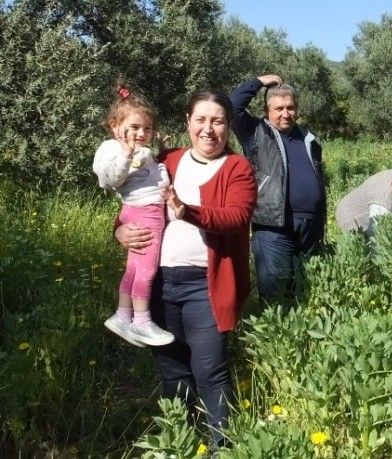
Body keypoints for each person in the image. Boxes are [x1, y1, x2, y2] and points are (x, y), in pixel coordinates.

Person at [115, 90, 257, 448]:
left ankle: (221, 448)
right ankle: (178, 441)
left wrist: (188, 211)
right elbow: (135, 202)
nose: (208, 129)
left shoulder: (238, 167)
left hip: (206, 287)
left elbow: (237, 217)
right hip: (158, 285)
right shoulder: (167, 160)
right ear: (188, 122)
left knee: (210, 370)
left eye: (218, 121)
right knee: (172, 370)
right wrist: (119, 230)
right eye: (201, 120)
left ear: (228, 126)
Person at [229, 74, 326, 300]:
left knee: (306, 290)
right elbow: (232, 105)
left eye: (290, 107)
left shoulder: (309, 138)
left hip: (310, 226)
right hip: (273, 225)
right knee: (275, 293)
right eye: (279, 108)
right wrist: (259, 81)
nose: (285, 114)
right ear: (267, 111)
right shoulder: (255, 132)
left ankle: (302, 334)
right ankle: (273, 336)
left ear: (297, 109)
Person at [93, 83, 174, 347]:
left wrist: (159, 152)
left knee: (134, 268)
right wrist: (127, 153)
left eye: (147, 128)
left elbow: (152, 175)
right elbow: (111, 179)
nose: (141, 133)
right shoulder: (112, 150)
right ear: (115, 126)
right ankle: (142, 321)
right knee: (147, 270)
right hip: (144, 213)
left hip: (146, 210)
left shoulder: (144, 151)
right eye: (135, 127)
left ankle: (122, 315)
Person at [335, 166, 392, 237]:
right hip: (350, 215)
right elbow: (375, 234)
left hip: (364, 207)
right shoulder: (382, 200)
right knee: (364, 245)